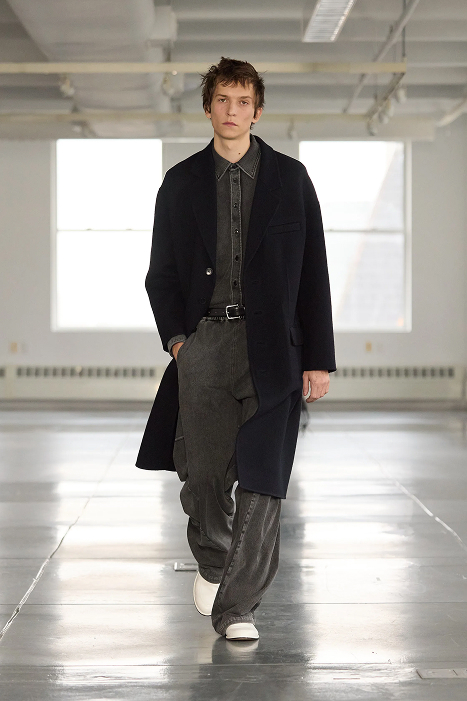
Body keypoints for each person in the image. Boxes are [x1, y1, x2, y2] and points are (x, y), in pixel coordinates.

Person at [136, 56, 336, 641]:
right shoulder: (180, 183)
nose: (232, 110)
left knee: (263, 478)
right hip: (206, 344)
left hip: (276, 348)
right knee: (202, 475)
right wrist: (179, 342)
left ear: (257, 110)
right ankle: (213, 561)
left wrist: (318, 359)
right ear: (208, 108)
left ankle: (239, 608)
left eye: (243, 101)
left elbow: (314, 273)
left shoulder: (291, 180)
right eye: (222, 99)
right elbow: (161, 273)